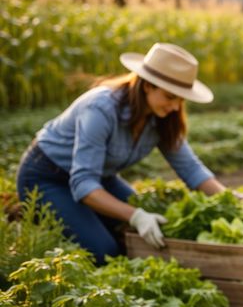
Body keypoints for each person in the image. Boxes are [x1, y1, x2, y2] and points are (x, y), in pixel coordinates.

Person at [16, 42, 230, 263]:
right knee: (106, 252)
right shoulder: (100, 109)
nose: (176, 107)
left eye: (181, 99)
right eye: (170, 97)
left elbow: (191, 168)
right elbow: (84, 184)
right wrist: (135, 216)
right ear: (148, 85)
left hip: (100, 178)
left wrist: (233, 200)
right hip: (48, 178)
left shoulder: (163, 118)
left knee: (157, 230)